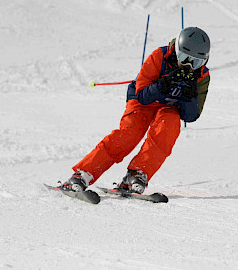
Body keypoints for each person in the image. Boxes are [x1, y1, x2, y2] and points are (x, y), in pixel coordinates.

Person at [61, 27, 211, 194]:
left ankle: (137, 174)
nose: (189, 66)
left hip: (168, 108)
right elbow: (141, 96)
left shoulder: (202, 76)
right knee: (130, 134)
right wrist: (163, 85)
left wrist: (190, 96)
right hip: (143, 103)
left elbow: (190, 116)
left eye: (196, 62)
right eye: (184, 59)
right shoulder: (159, 57)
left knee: (167, 129)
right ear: (176, 52)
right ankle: (83, 173)